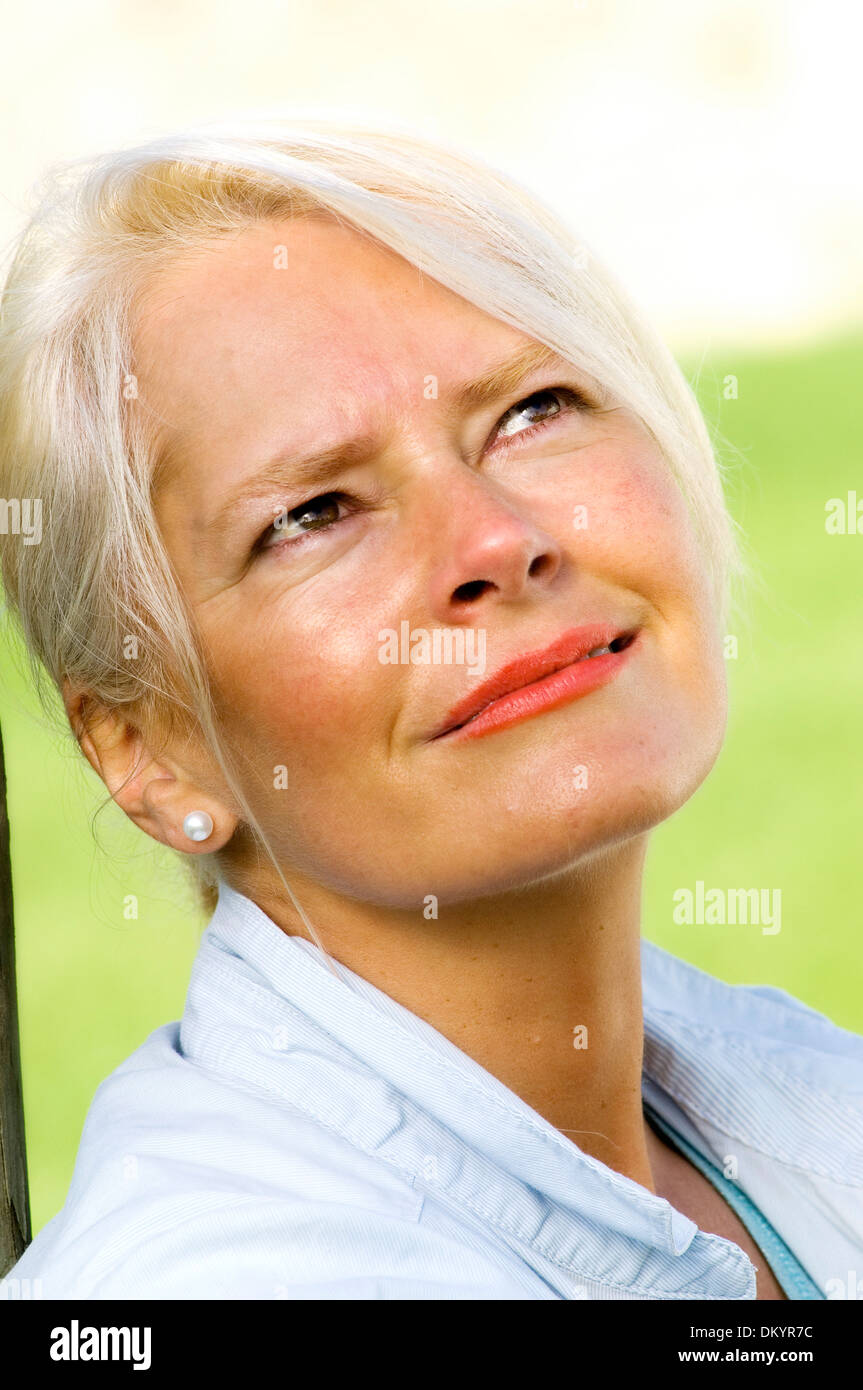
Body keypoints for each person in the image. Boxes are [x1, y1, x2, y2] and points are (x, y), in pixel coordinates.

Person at [1, 117, 860, 1300]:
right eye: (311, 515)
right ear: (143, 748)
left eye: (532, 411)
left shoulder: (792, 1097)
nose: (499, 542)